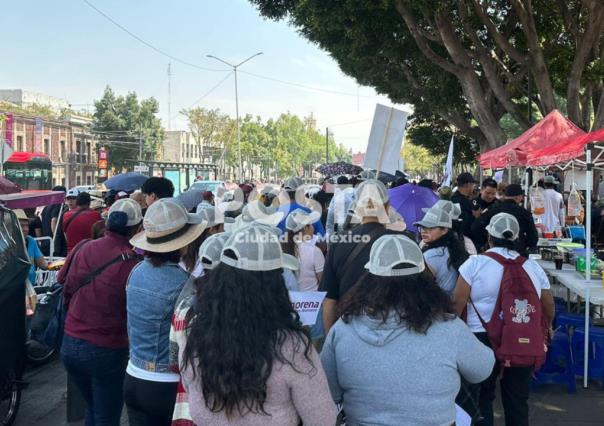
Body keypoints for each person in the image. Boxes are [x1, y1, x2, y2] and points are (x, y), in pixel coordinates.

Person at [320, 234, 494, 426]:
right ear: (424, 280)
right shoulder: (448, 327)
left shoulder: (343, 329)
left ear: (369, 279)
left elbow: (329, 391)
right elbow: (482, 369)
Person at [180, 224, 338, 425]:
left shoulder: (195, 333)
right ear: (274, 283)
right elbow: (322, 419)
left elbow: (194, 401)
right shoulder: (291, 346)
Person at [453, 213, 555, 426]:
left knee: (483, 397)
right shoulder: (532, 267)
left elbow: (457, 303)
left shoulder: (475, 264)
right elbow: (548, 305)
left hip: (480, 338)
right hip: (521, 337)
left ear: (489, 236)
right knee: (517, 399)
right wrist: (546, 327)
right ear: (516, 238)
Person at [59, 199, 143, 426]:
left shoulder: (83, 247)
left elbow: (64, 285)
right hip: (107, 349)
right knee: (106, 414)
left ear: (106, 223)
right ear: (137, 229)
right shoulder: (134, 264)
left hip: (70, 343)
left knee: (94, 409)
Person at [125, 198, 207, 426]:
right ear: (183, 243)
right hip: (166, 383)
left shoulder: (136, 271)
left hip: (134, 373)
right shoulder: (186, 283)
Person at [320, 179, 406, 334]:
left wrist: (330, 339)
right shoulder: (401, 242)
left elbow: (329, 301)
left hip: (349, 330)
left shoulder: (339, 242)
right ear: (387, 208)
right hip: (394, 331)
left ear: (357, 209)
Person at [170, 232, 231, 426]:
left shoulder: (184, 308)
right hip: (232, 409)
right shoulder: (243, 310)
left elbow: (173, 360)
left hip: (190, 406)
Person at [415, 201, 469, 296]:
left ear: (445, 230)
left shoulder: (431, 255)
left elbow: (420, 289)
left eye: (431, 228)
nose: (424, 231)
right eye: (422, 227)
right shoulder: (455, 248)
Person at [471, 184, 538, 256]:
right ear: (518, 197)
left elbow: (476, 227)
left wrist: (484, 242)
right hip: (517, 254)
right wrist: (523, 244)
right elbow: (533, 239)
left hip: (494, 254)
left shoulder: (492, 210)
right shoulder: (525, 214)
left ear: (505, 196)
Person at [15, 209, 48, 286]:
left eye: (27, 225)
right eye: (21, 225)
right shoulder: (5, 242)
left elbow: (42, 263)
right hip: (11, 289)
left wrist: (55, 265)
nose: (26, 229)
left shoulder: (31, 241)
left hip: (30, 287)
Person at [41, 185, 67, 255]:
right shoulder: (58, 205)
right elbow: (54, 220)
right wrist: (56, 239)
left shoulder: (46, 207)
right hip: (53, 242)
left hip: (45, 241)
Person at [451, 172, 477, 239]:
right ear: (468, 184)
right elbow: (463, 222)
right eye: (472, 184)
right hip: (464, 238)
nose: (473, 187)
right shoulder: (458, 201)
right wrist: (476, 217)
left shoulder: (455, 199)